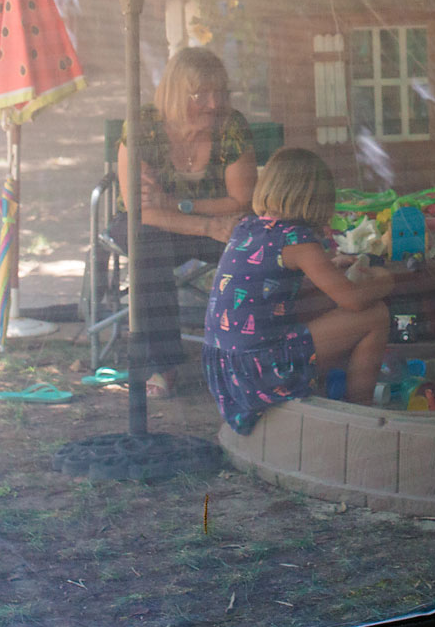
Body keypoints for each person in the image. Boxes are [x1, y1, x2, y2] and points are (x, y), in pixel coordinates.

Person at [202, 148, 394, 434]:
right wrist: (385, 280)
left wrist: (328, 267)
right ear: (317, 199)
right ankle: (361, 412)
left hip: (226, 366)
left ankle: (331, 391)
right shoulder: (297, 240)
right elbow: (353, 300)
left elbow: (272, 281)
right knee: (374, 315)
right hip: (258, 371)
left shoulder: (247, 227)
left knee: (323, 309)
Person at [116, 47, 257, 397]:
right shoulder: (143, 127)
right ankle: (162, 365)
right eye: (201, 94)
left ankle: (248, 354)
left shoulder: (231, 126)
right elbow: (140, 209)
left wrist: (179, 204)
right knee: (145, 243)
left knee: (255, 242)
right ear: (176, 94)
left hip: (214, 222)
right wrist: (207, 224)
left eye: (220, 93)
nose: (213, 104)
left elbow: (241, 200)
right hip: (168, 227)